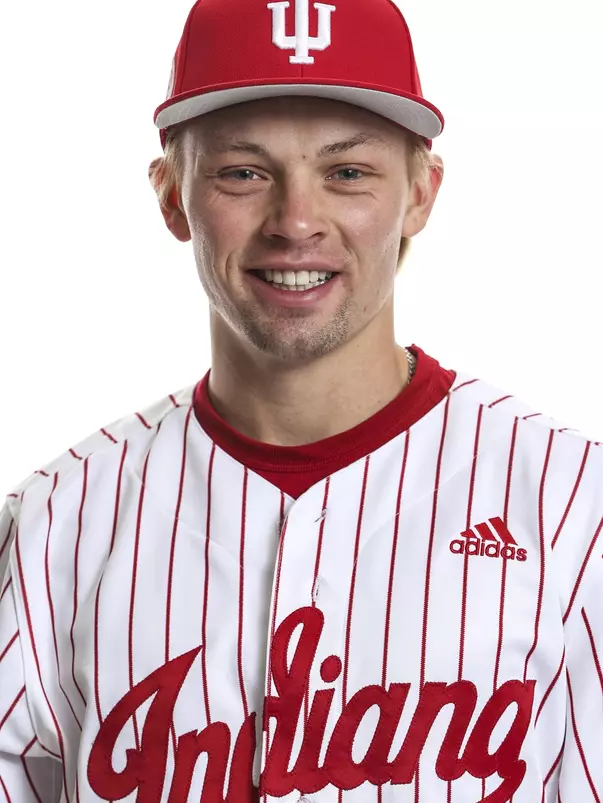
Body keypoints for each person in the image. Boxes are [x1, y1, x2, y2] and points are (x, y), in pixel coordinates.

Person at [1, 0, 601, 799]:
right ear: (172, 196)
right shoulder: (53, 527)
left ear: (420, 193)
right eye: (243, 172)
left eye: (347, 171)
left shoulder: (571, 507)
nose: (296, 221)